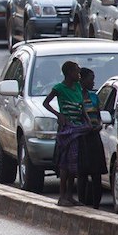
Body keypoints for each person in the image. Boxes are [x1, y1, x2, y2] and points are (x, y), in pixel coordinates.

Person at [43, 60, 89, 207]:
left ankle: (70, 195)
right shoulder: (59, 88)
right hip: (67, 130)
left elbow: (82, 108)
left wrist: (87, 121)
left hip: (78, 128)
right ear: (69, 73)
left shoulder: (77, 87)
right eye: (76, 71)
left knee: (74, 166)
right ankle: (62, 196)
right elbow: (46, 103)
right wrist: (58, 115)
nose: (79, 74)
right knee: (65, 165)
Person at [77, 67, 106, 208]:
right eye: (90, 79)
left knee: (96, 174)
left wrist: (99, 125)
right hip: (82, 138)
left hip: (94, 137)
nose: (93, 82)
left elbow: (99, 116)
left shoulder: (94, 96)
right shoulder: (75, 96)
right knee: (82, 173)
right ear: (82, 80)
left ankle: (96, 205)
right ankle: (82, 202)